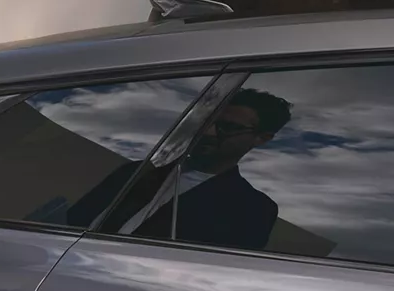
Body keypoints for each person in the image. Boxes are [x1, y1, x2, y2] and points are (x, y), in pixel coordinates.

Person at [65, 88, 292, 250]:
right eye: (206, 122)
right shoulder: (136, 172)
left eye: (229, 127)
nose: (209, 132)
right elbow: (74, 222)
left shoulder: (252, 208)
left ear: (262, 138)